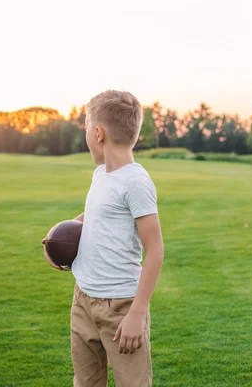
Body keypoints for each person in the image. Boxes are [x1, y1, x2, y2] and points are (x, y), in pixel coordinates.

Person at [43, 90, 164, 386]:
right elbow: (95, 217)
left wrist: (137, 313)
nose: (86, 132)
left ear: (98, 133)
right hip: (83, 298)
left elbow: (156, 250)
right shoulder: (101, 175)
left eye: (86, 126)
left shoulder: (135, 181)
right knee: (86, 383)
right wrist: (62, 235)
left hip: (121, 306)